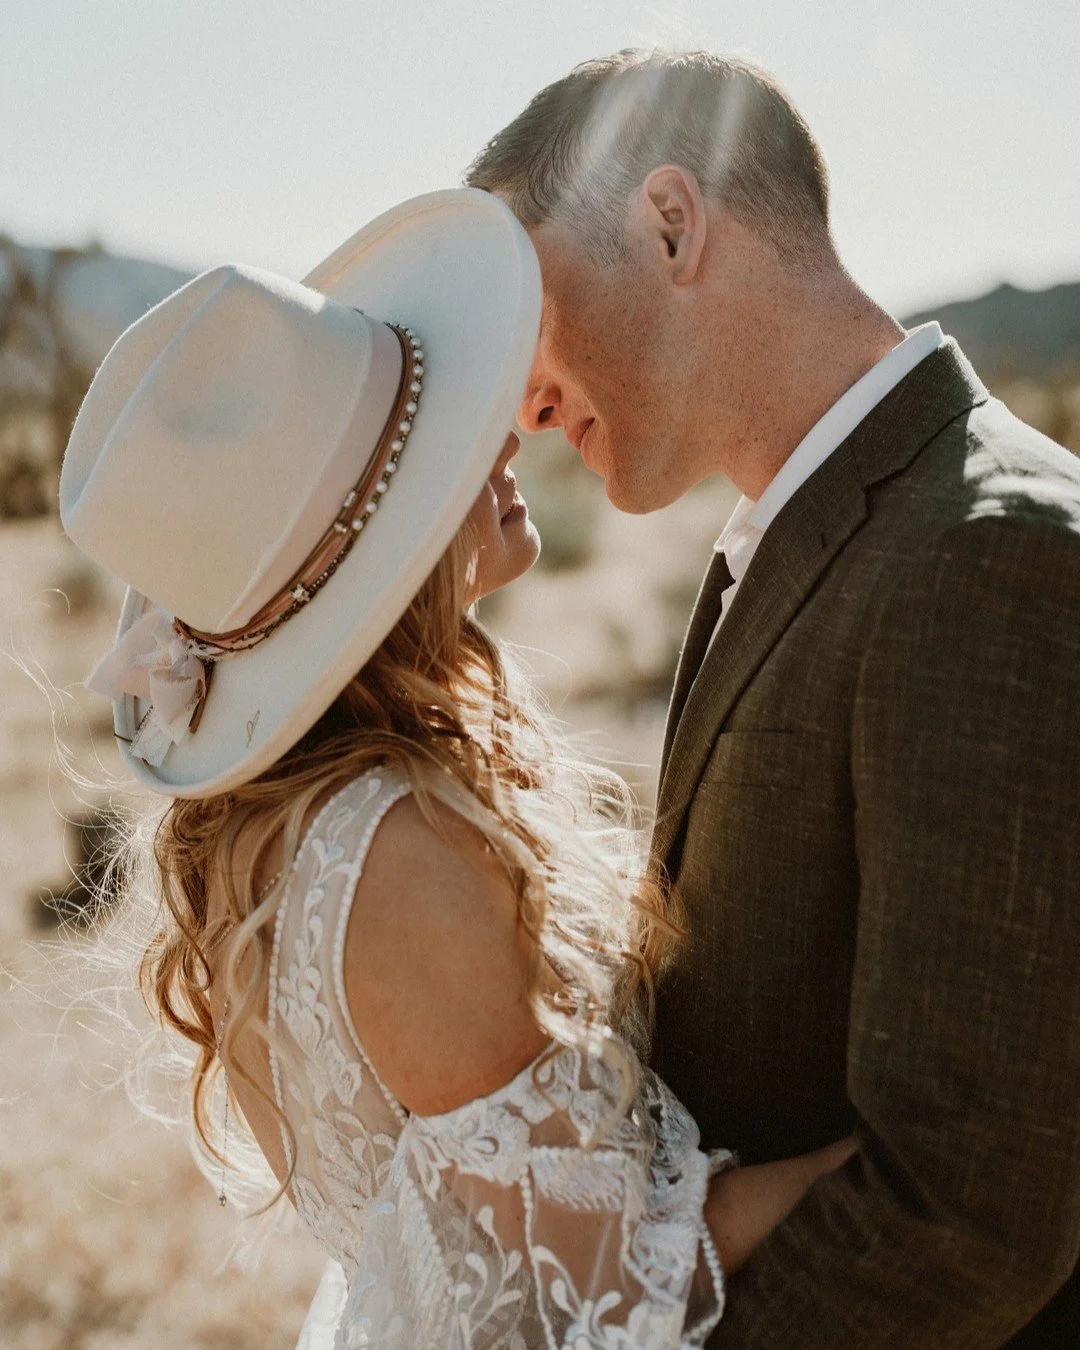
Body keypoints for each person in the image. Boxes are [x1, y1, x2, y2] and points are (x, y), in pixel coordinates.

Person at [60, 189, 853, 1349]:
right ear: (369, 547)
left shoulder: (286, 830)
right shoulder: (388, 856)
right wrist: (953, 1151)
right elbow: (626, 1268)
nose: (505, 432)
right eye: (432, 435)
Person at [466, 50, 1080, 1348]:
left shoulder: (992, 551)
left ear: (673, 224)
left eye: (523, 313)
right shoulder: (786, 534)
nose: (518, 405)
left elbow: (972, 1205)